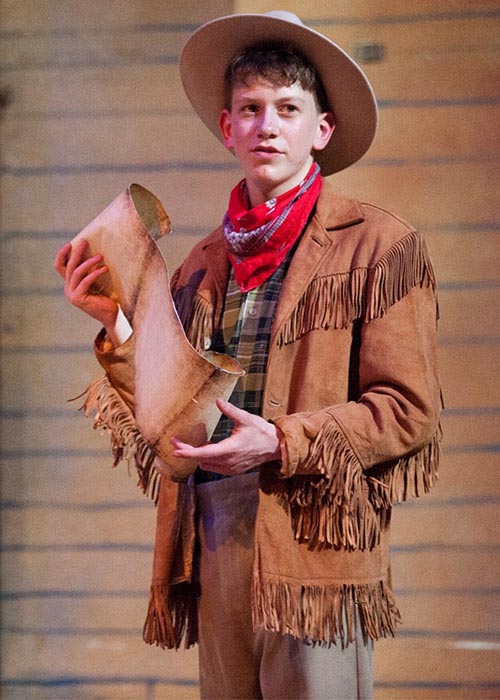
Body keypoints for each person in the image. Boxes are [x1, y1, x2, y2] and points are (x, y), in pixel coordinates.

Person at [54, 11, 441, 700]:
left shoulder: (376, 246)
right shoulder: (201, 264)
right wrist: (113, 320)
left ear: (321, 129)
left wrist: (279, 443)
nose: (268, 125)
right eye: (251, 109)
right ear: (228, 128)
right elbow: (166, 418)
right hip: (214, 537)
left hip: (312, 548)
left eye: (288, 109)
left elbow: (407, 411)